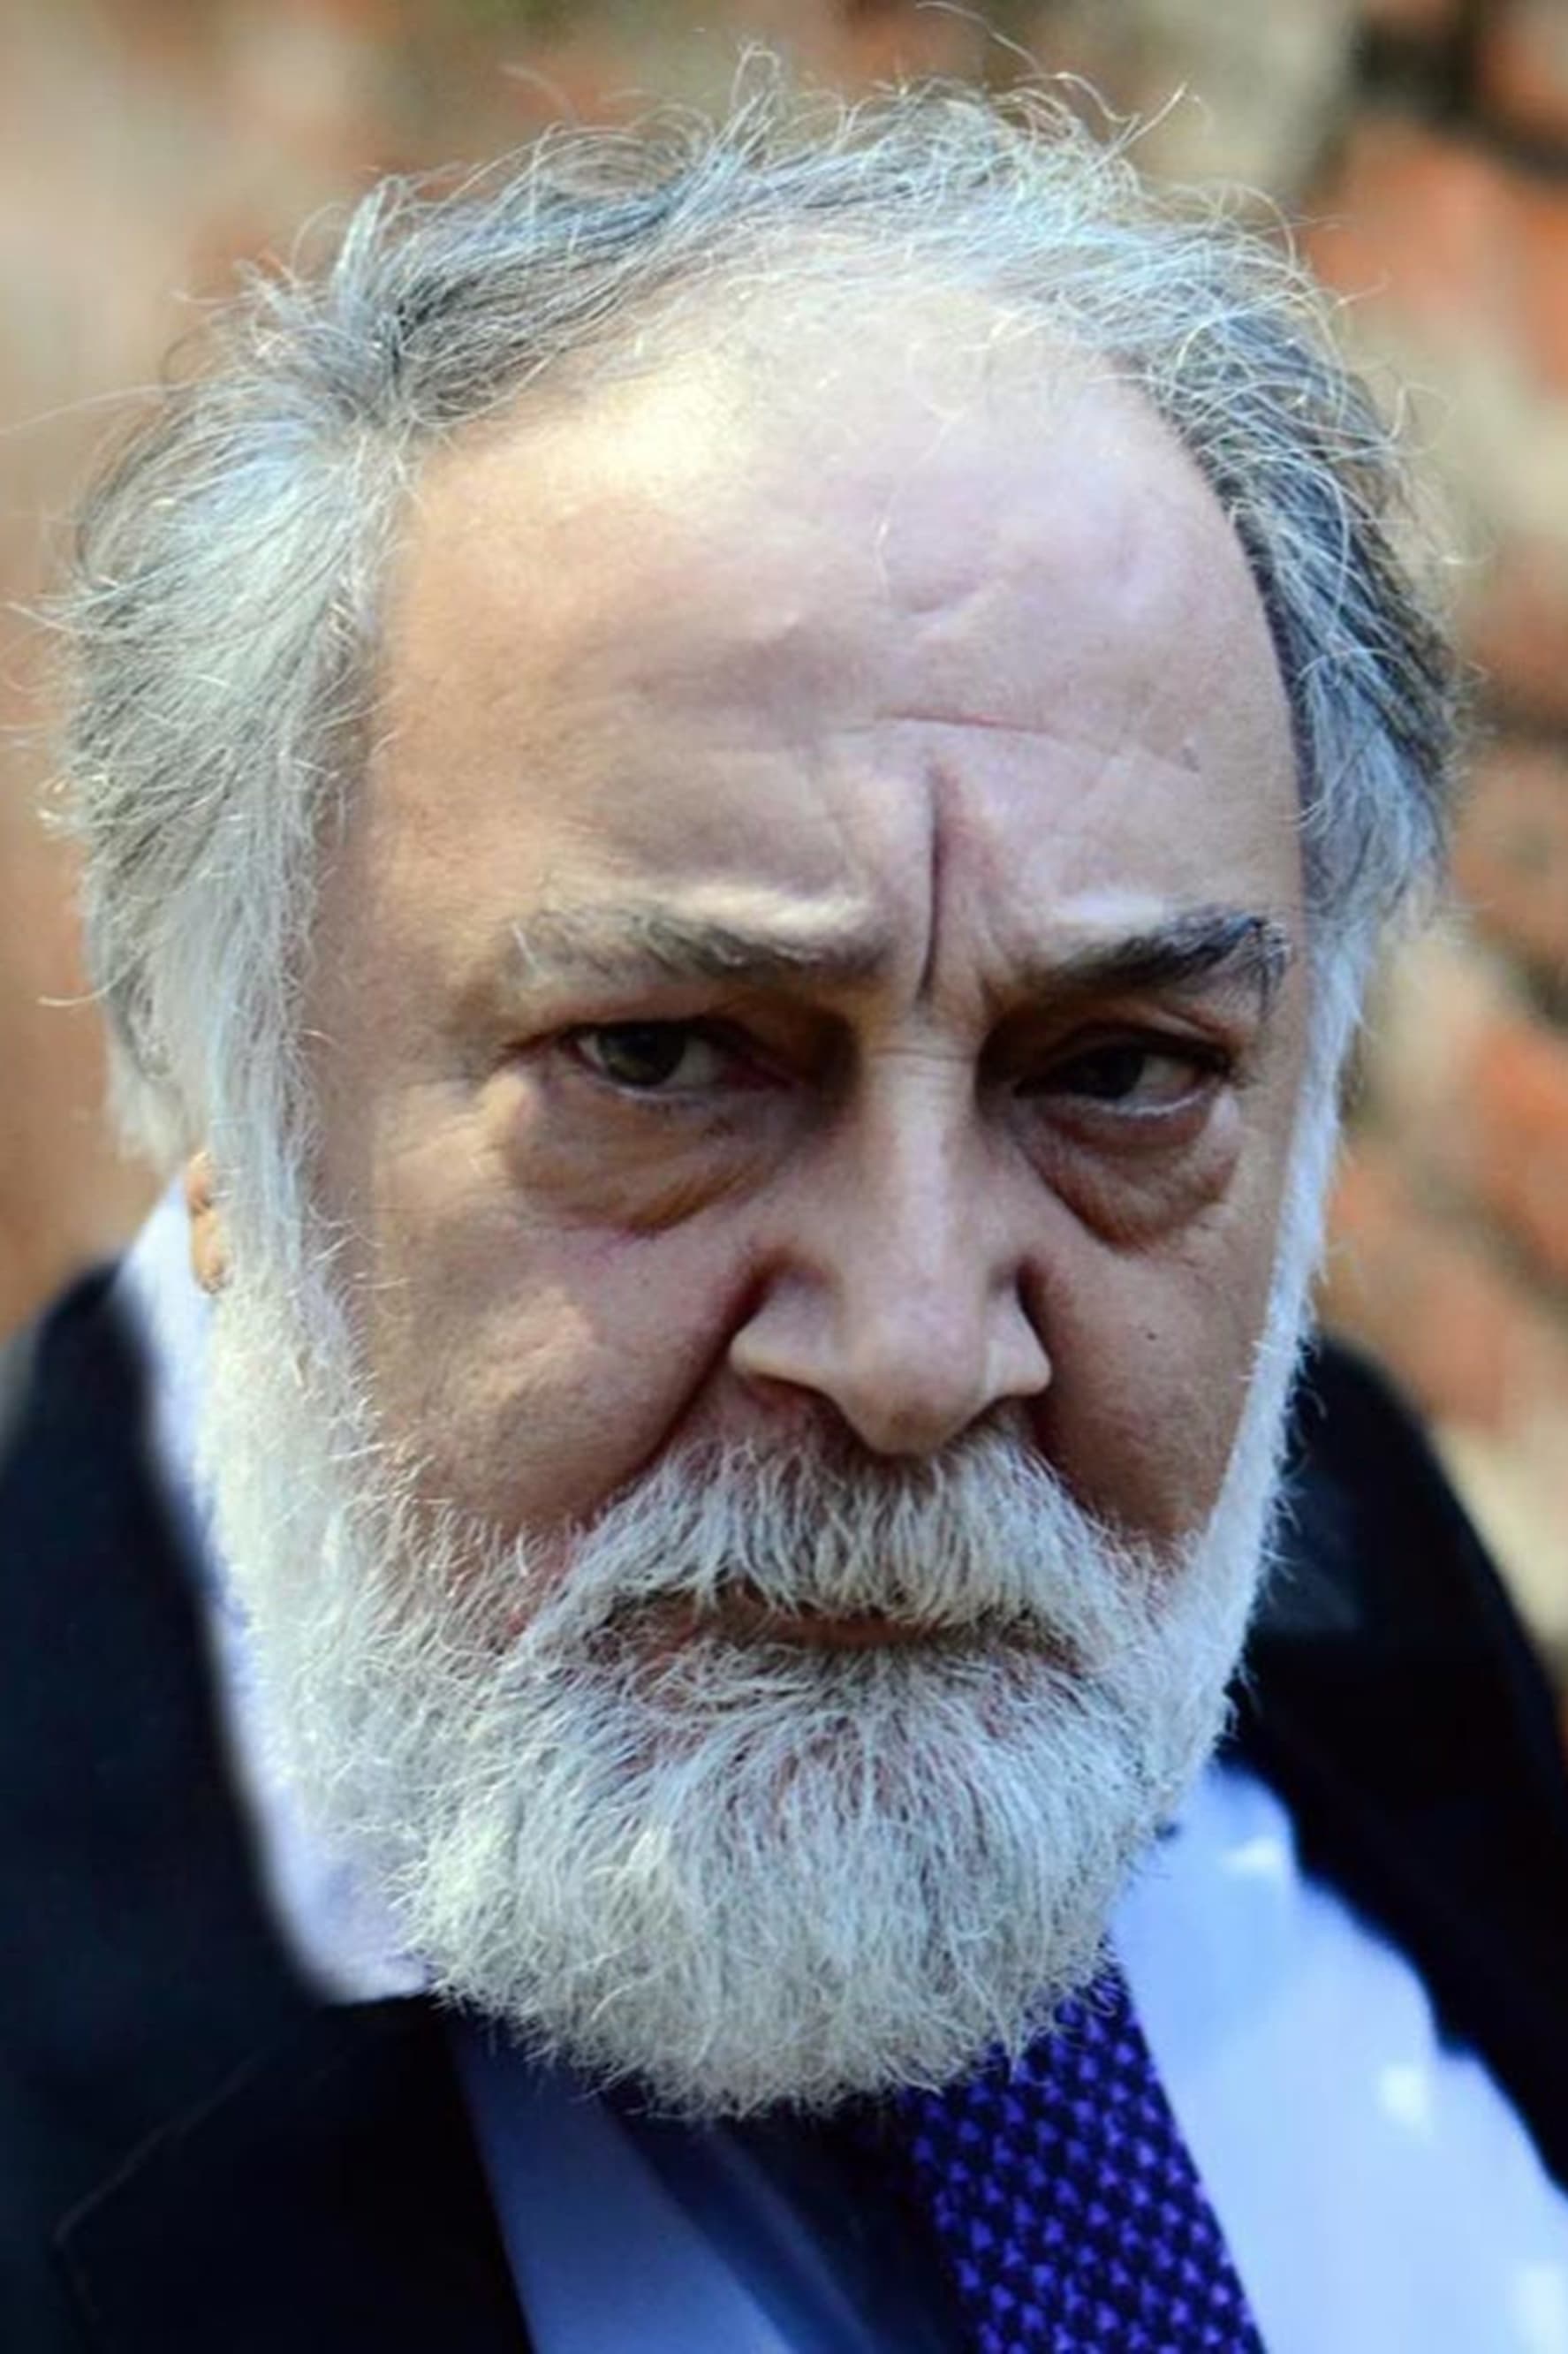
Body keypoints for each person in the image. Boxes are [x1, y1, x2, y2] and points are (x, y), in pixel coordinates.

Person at [4, 74, 1568, 2354]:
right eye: (661, 1059)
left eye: (1118, 1072)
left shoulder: (1355, 1568)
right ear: (232, 1113)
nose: (921, 1352)